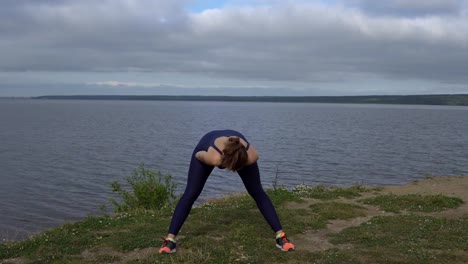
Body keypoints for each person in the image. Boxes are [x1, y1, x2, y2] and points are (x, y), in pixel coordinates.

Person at [159, 129, 295, 253]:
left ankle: (281, 236)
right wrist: (210, 159)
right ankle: (169, 240)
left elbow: (251, 161)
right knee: (191, 193)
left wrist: (240, 164)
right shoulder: (213, 157)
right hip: (205, 148)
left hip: (235, 150)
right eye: (232, 168)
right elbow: (198, 156)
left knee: (257, 192)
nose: (234, 171)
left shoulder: (251, 156)